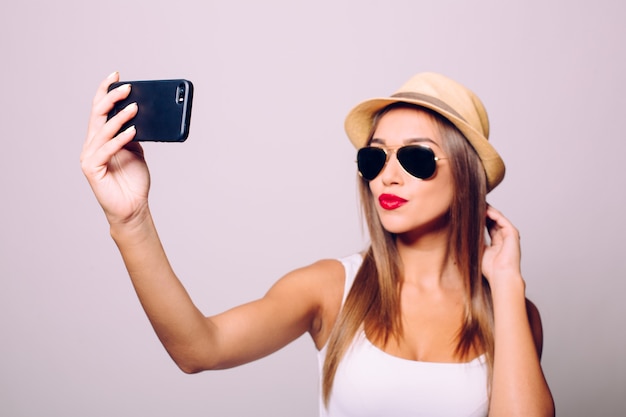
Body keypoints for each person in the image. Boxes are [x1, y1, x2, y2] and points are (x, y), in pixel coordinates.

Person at [81, 71, 555, 416]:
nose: (388, 174)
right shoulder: (332, 288)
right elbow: (200, 349)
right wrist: (131, 220)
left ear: (467, 176)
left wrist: (507, 286)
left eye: (415, 157)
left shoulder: (512, 314)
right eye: (375, 157)